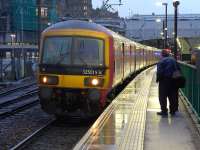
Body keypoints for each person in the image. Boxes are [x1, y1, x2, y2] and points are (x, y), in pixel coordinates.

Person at [156, 49, 180, 116]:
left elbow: (159, 72)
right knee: (173, 96)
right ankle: (173, 111)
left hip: (164, 81)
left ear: (162, 55)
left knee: (162, 96)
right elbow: (178, 69)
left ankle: (164, 111)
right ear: (168, 54)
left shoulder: (161, 61)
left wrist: (158, 79)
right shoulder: (174, 60)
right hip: (174, 80)